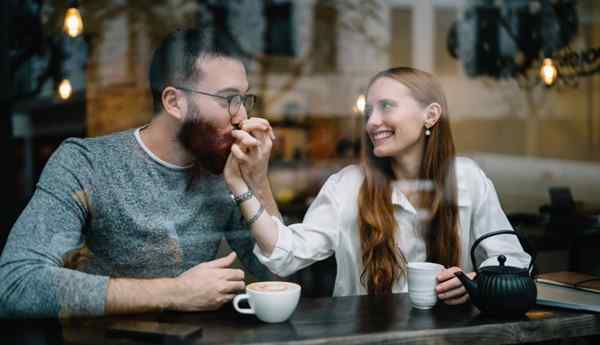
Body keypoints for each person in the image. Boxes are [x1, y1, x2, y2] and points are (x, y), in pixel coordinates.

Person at [0, 28, 279, 318]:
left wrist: (258, 183)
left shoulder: (225, 172)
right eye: (228, 99)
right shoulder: (87, 163)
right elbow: (16, 283)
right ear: (174, 102)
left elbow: (281, 280)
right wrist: (176, 293)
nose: (242, 117)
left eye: (244, 100)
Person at [224, 67, 530, 303]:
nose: (372, 122)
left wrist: (476, 282)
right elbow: (284, 254)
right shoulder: (347, 186)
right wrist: (242, 184)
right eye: (368, 111)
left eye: (386, 106)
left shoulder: (467, 179)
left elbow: (514, 262)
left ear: (431, 114)